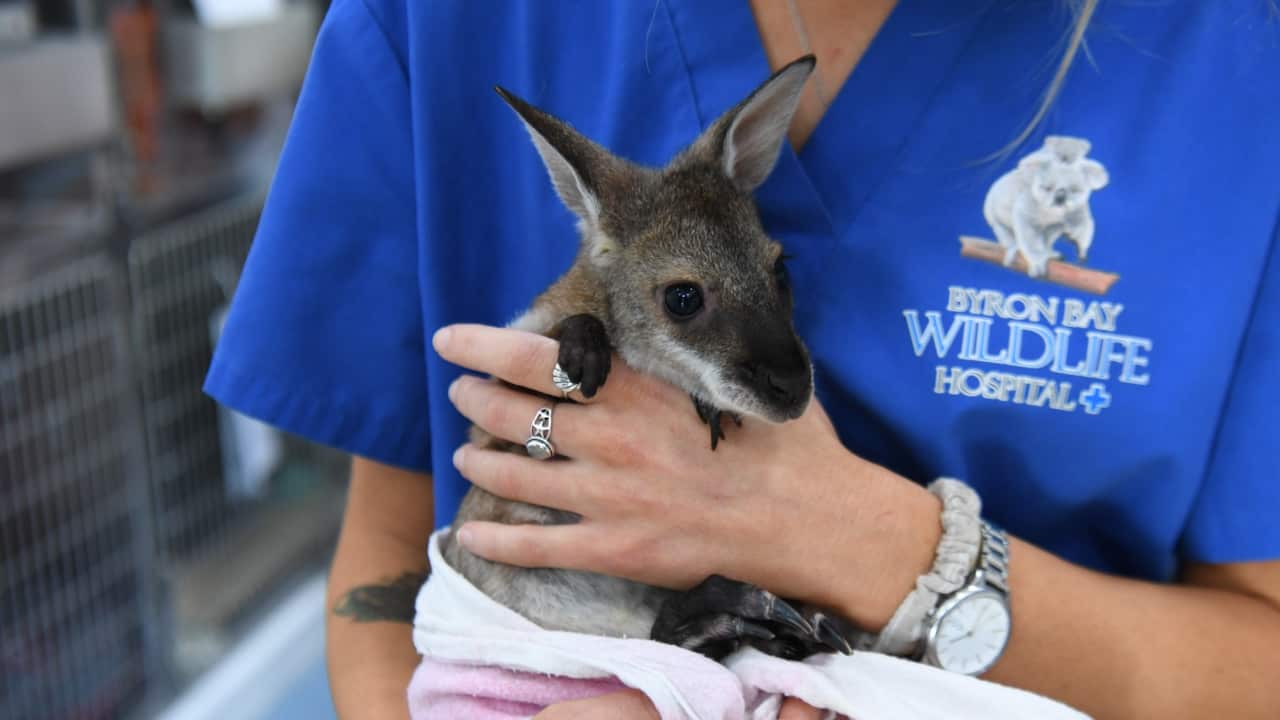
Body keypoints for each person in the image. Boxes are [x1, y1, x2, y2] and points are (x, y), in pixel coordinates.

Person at [203, 0, 1280, 718]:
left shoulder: (1226, 52)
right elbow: (388, 558)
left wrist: (879, 549)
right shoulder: (448, 22)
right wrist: (534, 442)